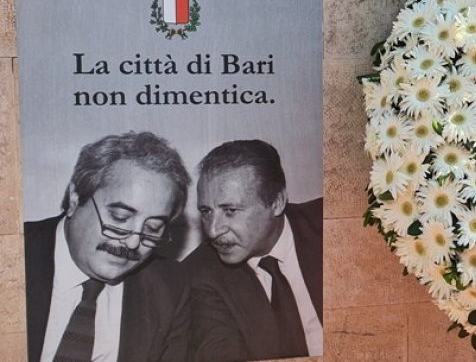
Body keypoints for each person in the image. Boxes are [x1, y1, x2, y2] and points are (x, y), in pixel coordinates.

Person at [24, 131, 192, 362]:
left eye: (153, 228)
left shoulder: (170, 287)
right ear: (75, 198)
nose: (134, 242)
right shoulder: (11, 254)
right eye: (120, 217)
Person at [184, 139, 323, 361]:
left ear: (276, 202)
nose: (212, 230)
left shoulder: (333, 224)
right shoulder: (199, 273)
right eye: (206, 211)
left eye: (230, 210)